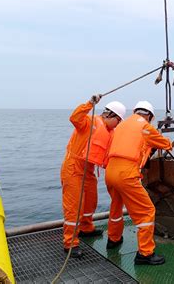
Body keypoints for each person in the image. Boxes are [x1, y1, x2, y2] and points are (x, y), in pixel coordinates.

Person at [105, 100, 172, 265]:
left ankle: (113, 240)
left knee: (116, 206)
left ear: (135, 111)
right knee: (147, 211)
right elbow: (166, 144)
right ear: (149, 115)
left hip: (110, 171)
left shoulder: (121, 125)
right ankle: (145, 253)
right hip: (126, 173)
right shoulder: (145, 126)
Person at [60, 95, 126, 258]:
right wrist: (90, 103)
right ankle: (70, 243)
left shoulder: (110, 132)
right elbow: (74, 118)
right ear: (112, 116)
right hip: (73, 168)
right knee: (74, 208)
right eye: (118, 121)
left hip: (88, 170)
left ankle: (86, 228)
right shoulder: (90, 122)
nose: (118, 125)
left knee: (91, 201)